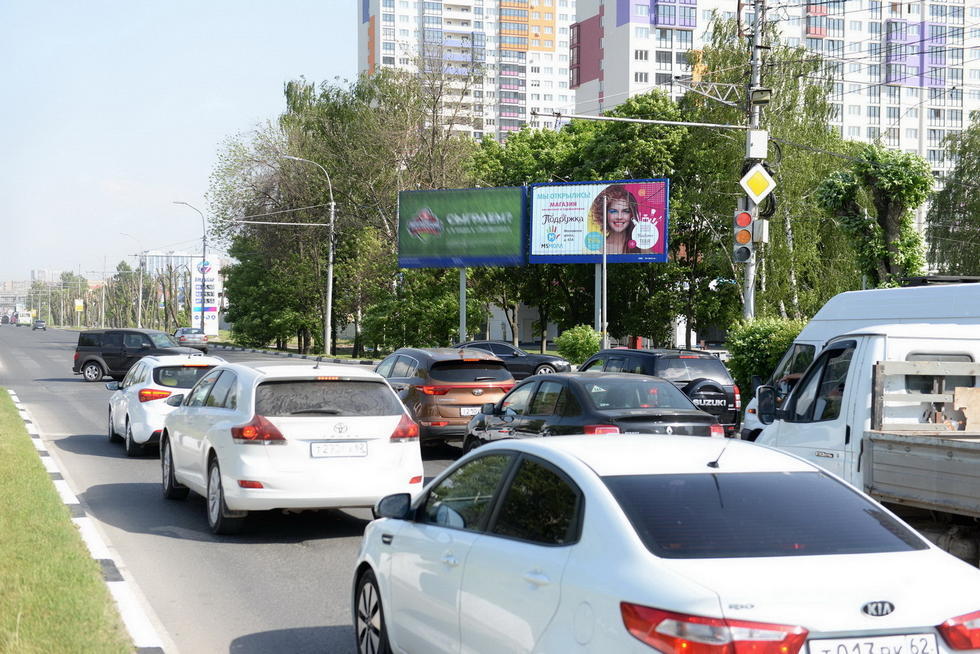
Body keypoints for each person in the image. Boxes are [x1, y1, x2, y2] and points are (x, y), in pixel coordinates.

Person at [588, 185, 641, 254]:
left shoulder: (641, 247)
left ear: (631, 214)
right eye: (613, 211)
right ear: (604, 214)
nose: (619, 217)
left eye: (625, 211)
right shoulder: (597, 247)